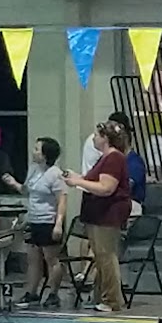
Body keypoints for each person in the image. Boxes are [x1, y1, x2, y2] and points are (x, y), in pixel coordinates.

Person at [63, 121, 131, 313]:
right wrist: (78, 177)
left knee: (106, 256)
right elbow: (95, 181)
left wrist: (77, 182)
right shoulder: (105, 158)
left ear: (105, 138)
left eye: (96, 135)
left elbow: (106, 188)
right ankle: (102, 296)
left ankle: (112, 300)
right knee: (101, 257)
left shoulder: (114, 158)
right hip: (98, 213)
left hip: (107, 213)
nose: (93, 138)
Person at [2, 138, 67, 309]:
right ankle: (31, 293)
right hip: (33, 220)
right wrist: (13, 183)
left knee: (51, 259)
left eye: (37, 149)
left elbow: (62, 200)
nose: (33, 151)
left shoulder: (55, 174)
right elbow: (27, 191)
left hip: (48, 220)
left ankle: (53, 294)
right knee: (33, 259)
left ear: (45, 155)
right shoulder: (33, 170)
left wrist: (58, 223)